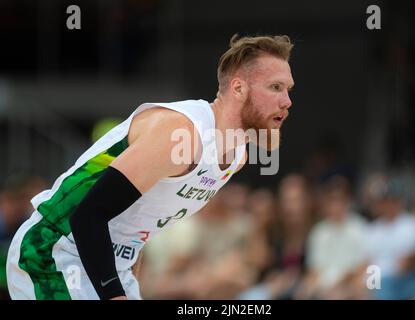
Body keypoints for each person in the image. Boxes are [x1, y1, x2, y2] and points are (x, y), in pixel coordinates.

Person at [6, 34, 295, 300]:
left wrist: (130, 269)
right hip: (54, 251)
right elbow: (88, 216)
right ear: (238, 88)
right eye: (275, 88)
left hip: (110, 263)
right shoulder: (180, 133)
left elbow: (143, 215)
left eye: (288, 89)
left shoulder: (237, 155)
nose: (287, 101)